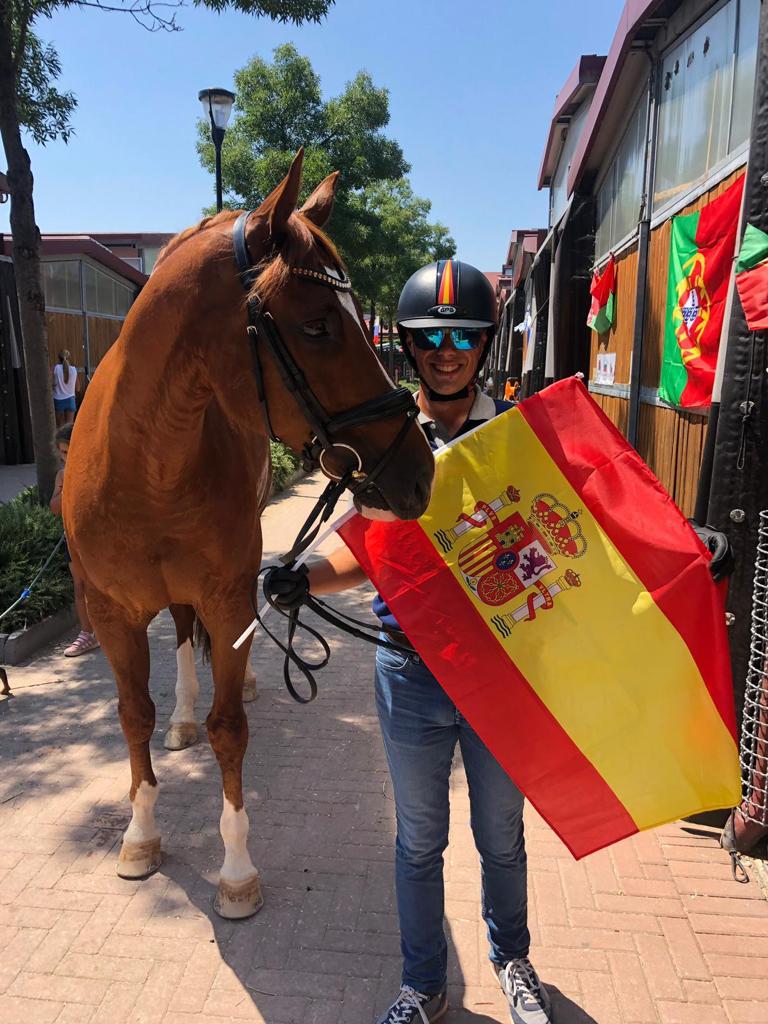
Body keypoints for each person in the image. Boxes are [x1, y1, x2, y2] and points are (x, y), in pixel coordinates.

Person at [270, 260, 551, 1024]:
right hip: (411, 673)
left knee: (501, 836)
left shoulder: (519, 434)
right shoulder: (386, 442)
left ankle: (513, 960)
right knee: (419, 841)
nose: (447, 352)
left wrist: (679, 548)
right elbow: (367, 551)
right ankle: (423, 985)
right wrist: (303, 579)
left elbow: (580, 532)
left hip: (503, 676)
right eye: (431, 338)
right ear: (409, 345)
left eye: (463, 337)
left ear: (485, 343)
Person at [50, 424, 100, 657]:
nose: (68, 457)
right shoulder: (62, 475)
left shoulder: (95, 469)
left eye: (73, 450)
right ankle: (87, 633)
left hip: (98, 540)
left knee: (101, 586)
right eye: (64, 452)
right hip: (73, 540)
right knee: (80, 586)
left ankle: (112, 629)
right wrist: (65, 487)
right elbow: (55, 509)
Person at [52, 350, 79, 427]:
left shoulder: (55, 368)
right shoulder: (74, 369)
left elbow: (52, 384)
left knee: (60, 428)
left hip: (58, 400)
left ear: (59, 358)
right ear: (69, 358)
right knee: (69, 428)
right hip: (70, 400)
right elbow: (78, 388)